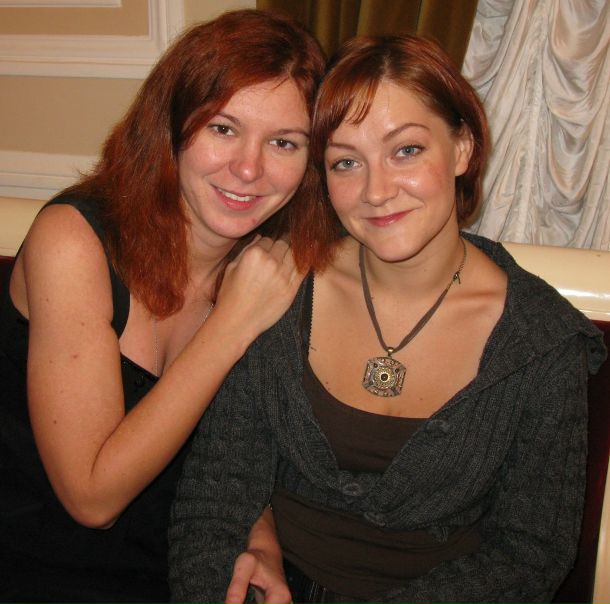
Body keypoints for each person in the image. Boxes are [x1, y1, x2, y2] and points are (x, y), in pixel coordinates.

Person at [167, 33, 607, 604]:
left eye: (406, 150)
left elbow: (530, 555)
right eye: (346, 162)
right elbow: (214, 500)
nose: (375, 191)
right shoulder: (279, 290)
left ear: (463, 148)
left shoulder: (540, 342)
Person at [0, 9, 333, 603]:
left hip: (176, 566)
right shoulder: (73, 240)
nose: (249, 168)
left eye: (284, 142)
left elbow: (237, 451)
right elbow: (91, 498)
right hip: (32, 560)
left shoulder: (270, 269)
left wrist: (261, 542)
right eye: (223, 128)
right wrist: (233, 323)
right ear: (171, 125)